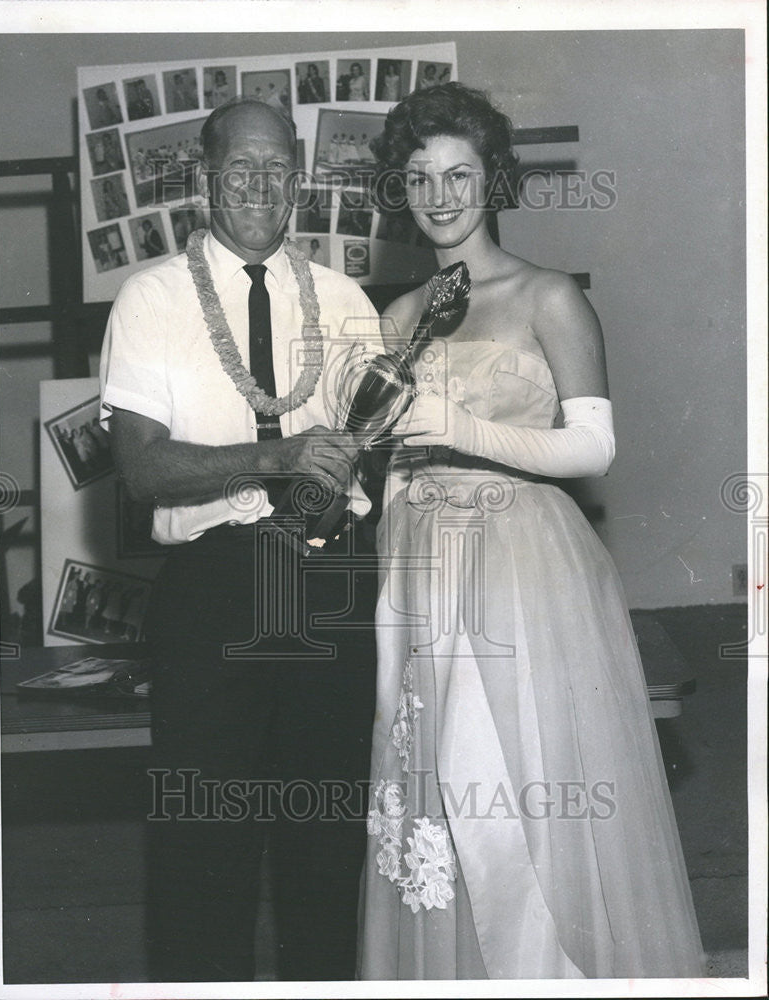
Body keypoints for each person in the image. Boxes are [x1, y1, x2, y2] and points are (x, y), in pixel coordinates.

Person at [357, 82, 705, 980]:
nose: (439, 197)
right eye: (420, 177)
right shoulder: (395, 320)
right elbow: (394, 459)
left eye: (459, 175)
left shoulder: (547, 295)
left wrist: (458, 432)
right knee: (441, 810)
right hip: (423, 573)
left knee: (514, 812)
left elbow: (594, 447)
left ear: (494, 181)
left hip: (524, 570)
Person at [100, 96, 380, 982]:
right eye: (239, 168)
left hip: (328, 589)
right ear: (204, 178)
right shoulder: (150, 296)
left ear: (298, 180)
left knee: (328, 838)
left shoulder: (345, 299)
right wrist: (284, 457)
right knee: (203, 837)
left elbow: (361, 477)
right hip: (211, 587)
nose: (259, 185)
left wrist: (331, 492)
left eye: (277, 169)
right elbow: (143, 472)